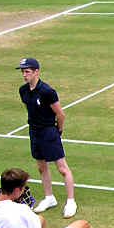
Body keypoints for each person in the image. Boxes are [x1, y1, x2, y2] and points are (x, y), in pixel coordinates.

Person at [17, 58, 76, 218]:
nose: (24, 75)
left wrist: (58, 129)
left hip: (49, 132)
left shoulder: (47, 91)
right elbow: (29, 109)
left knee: (62, 168)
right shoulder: (23, 90)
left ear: (36, 71)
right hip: (34, 132)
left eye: (27, 71)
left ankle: (71, 201)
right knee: (41, 167)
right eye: (23, 72)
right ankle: (49, 198)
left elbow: (60, 114)